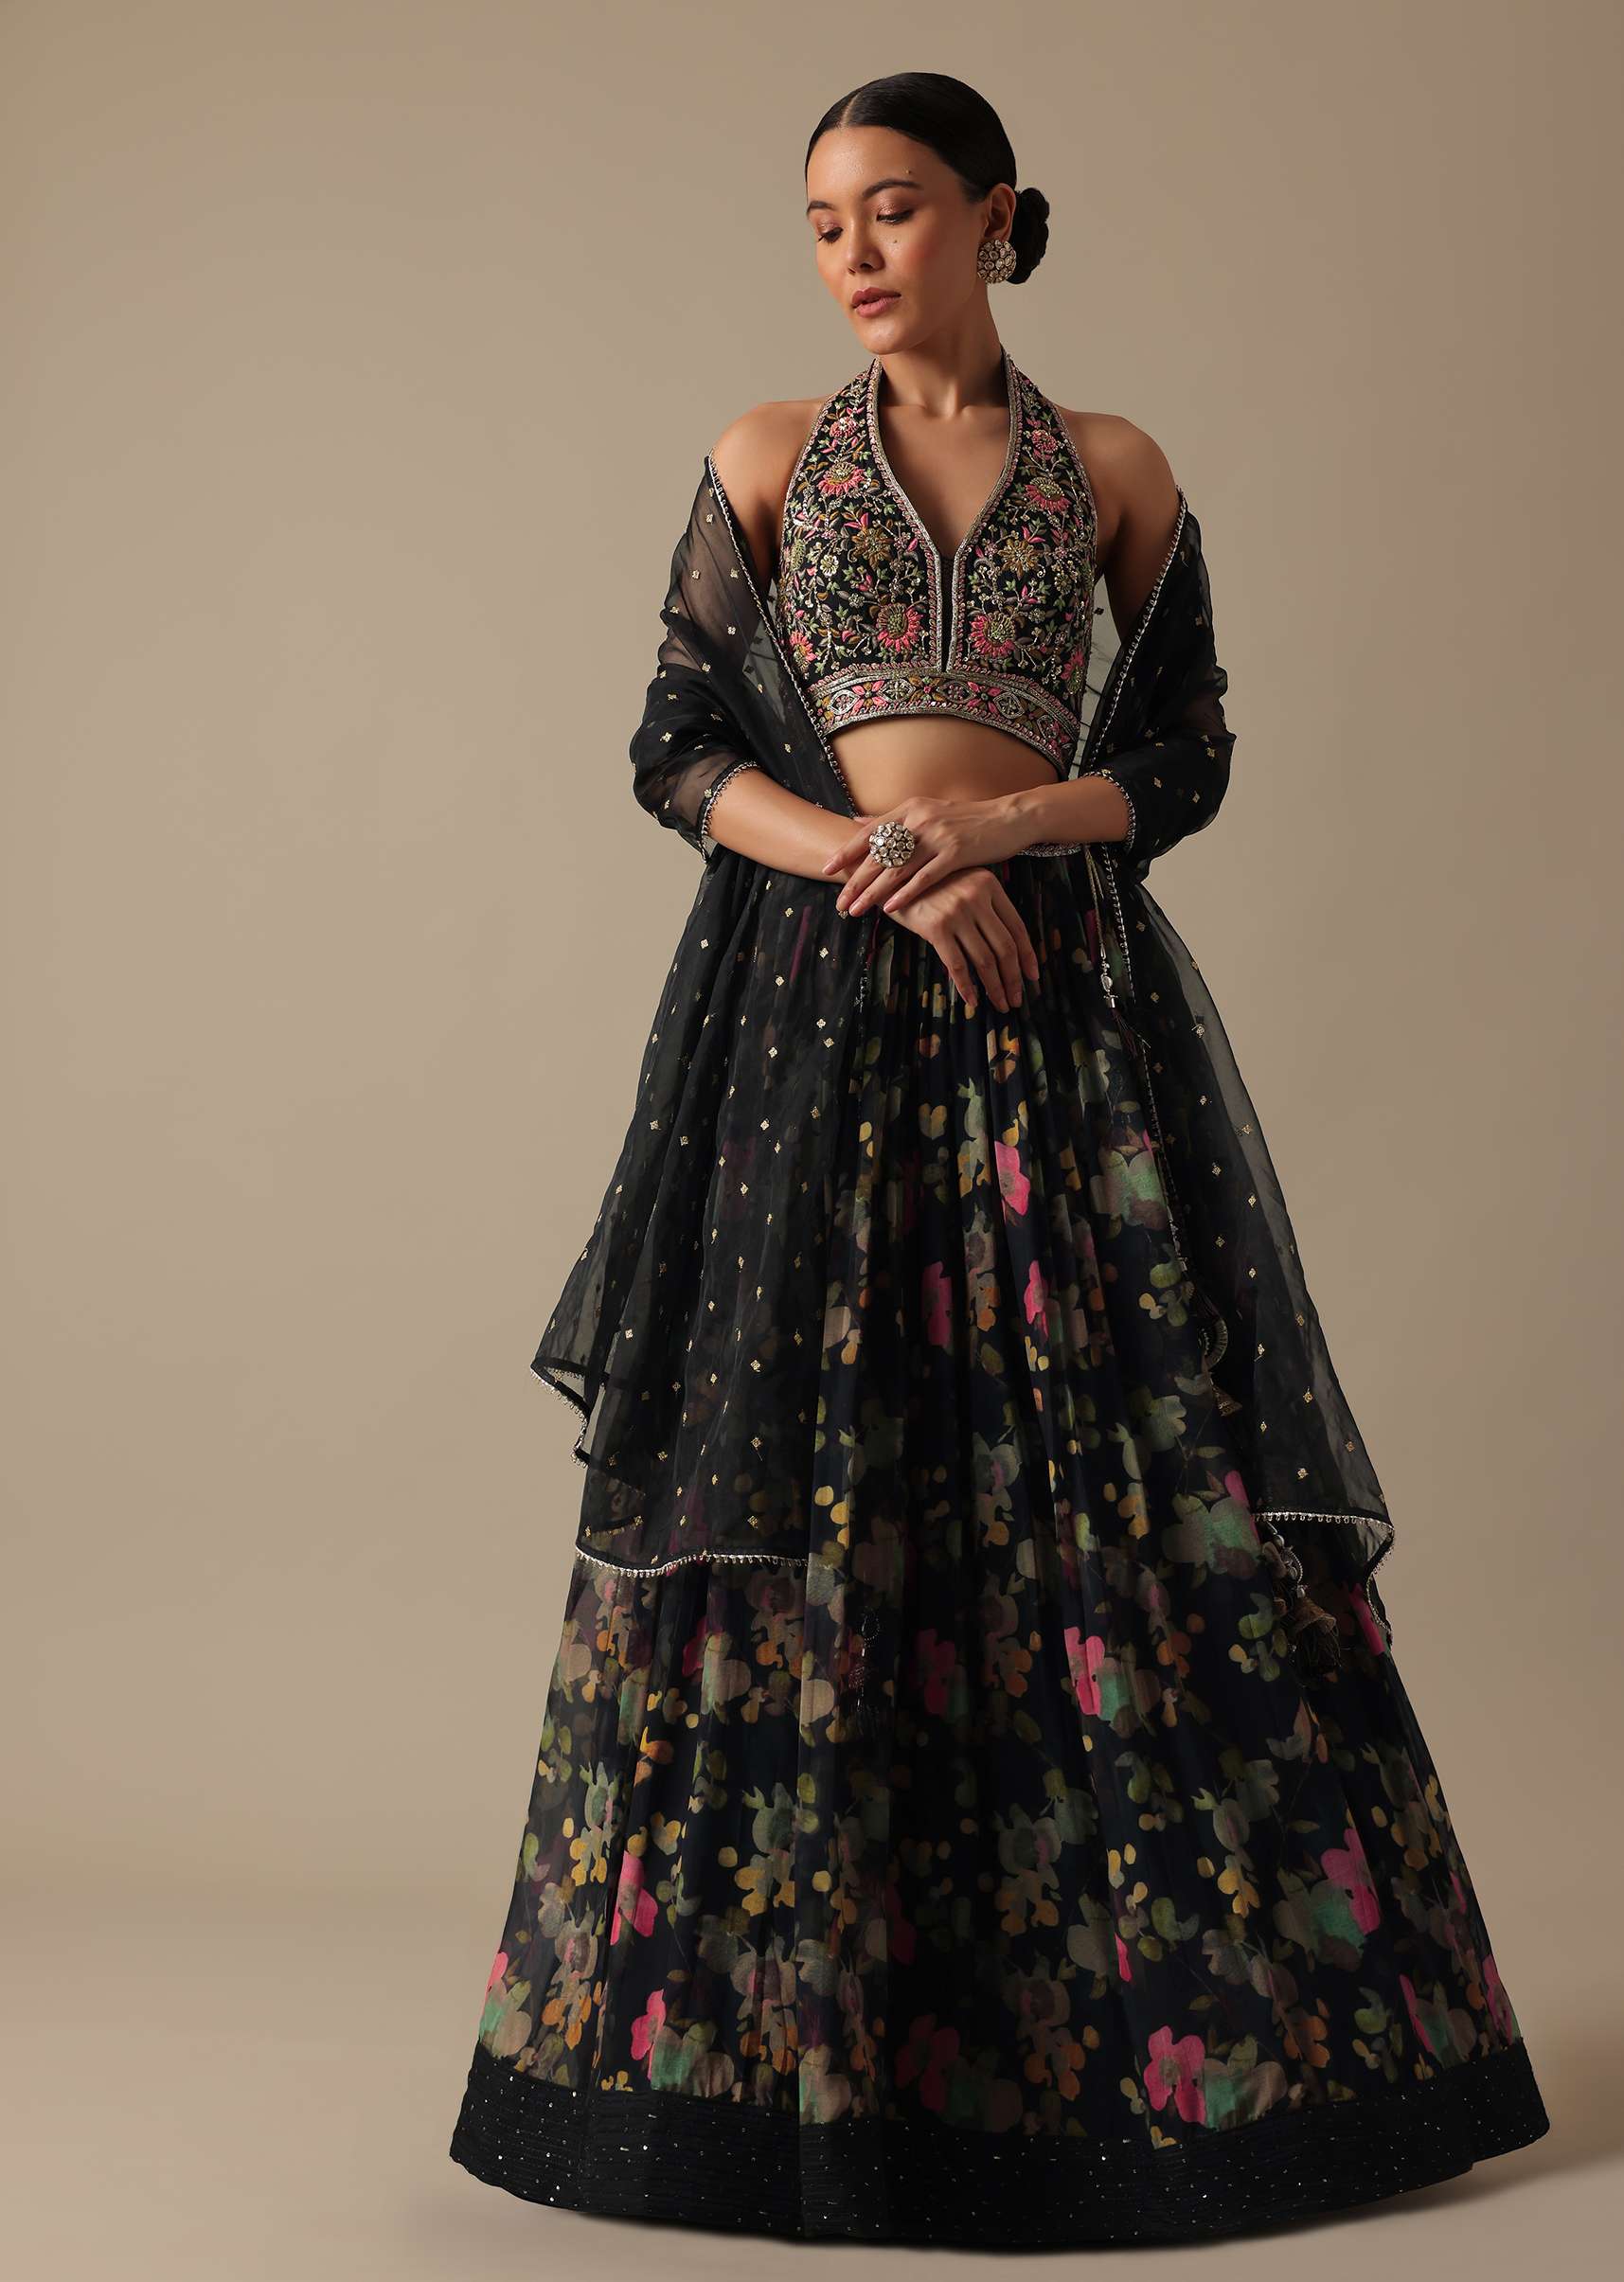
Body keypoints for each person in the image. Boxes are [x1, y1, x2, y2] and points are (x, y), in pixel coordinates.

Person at [448, 70, 1549, 2245]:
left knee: (1110, 1476)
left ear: (997, 214)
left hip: (1057, 1013)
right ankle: (770, 2078)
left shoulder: (1112, 470)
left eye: (893, 207)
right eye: (821, 222)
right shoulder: (767, 457)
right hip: (811, 1022)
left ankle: (1164, 2064)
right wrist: (883, 858)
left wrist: (1008, 828)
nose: (854, 253)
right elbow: (677, 746)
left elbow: (1187, 751)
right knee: (811, 1466)